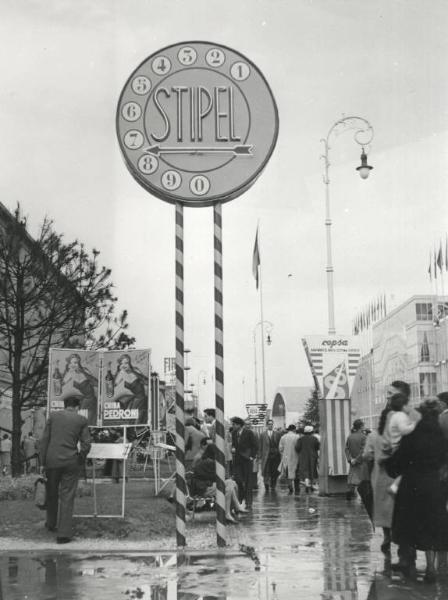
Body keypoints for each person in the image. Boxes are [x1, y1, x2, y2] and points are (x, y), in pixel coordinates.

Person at [384, 399, 447, 582]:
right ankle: (430, 568)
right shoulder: (439, 435)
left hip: (411, 484)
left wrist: (391, 466)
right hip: (433, 484)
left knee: (409, 523)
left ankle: (407, 561)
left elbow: (398, 463)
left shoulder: (411, 434)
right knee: (432, 524)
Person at [39, 395, 91, 544]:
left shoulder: (53, 417)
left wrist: (42, 463)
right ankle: (63, 534)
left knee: (52, 493)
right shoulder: (81, 420)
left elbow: (45, 441)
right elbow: (86, 443)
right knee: (67, 496)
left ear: (65, 405)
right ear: (77, 407)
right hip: (70, 461)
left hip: (51, 461)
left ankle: (50, 523)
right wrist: (80, 457)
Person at [363, 406, 396, 557]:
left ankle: (387, 535)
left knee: (383, 507)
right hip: (399, 477)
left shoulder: (374, 435)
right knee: (399, 507)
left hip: (380, 477)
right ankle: (400, 537)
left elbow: (368, 456)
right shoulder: (400, 435)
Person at [190, 443, 248, 523]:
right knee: (230, 484)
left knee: (230, 485)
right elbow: (219, 477)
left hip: (202, 487)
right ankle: (233, 509)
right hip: (204, 489)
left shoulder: (204, 461)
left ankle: (230, 512)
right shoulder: (210, 463)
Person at [382, 392, 420, 495]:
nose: (409, 407)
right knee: (408, 469)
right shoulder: (401, 416)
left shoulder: (394, 416)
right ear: (403, 405)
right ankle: (394, 487)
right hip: (399, 448)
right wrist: (414, 423)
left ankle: (396, 487)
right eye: (408, 405)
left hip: (394, 447)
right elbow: (404, 430)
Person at [61, 353, 97, 426]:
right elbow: (61, 384)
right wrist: (66, 371)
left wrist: (83, 372)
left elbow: (96, 382)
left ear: (79, 363)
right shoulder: (70, 373)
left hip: (91, 401)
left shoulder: (85, 371)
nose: (73, 365)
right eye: (71, 363)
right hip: (79, 402)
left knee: (87, 423)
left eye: (75, 363)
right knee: (78, 423)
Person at [230, 416, 258, 509]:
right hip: (237, 460)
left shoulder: (249, 432)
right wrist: (233, 449)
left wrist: (252, 456)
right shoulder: (234, 433)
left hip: (246, 459)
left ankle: (248, 502)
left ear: (239, 425)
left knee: (248, 481)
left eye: (234, 424)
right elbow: (234, 444)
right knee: (238, 480)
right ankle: (240, 499)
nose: (233, 426)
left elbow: (255, 445)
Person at [345, 419, 368, 500]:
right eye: (363, 425)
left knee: (352, 479)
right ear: (361, 426)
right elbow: (364, 450)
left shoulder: (350, 436)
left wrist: (350, 459)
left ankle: (349, 493)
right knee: (361, 480)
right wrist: (357, 459)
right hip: (361, 462)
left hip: (352, 462)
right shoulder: (364, 437)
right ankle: (361, 498)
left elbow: (346, 449)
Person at [296, 425, 320, 494]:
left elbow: (297, 448)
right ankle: (312, 485)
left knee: (305, 470)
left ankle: (307, 485)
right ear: (311, 432)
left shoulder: (300, 439)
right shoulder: (314, 439)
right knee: (312, 470)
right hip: (313, 457)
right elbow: (318, 447)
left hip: (303, 457)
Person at [259, 419, 281, 491]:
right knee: (266, 471)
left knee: (274, 472)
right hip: (266, 456)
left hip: (275, 456)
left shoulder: (277, 434)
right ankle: (266, 485)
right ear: (267, 425)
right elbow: (260, 446)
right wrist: (260, 455)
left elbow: (279, 445)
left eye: (271, 424)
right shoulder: (262, 434)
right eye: (269, 424)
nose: (270, 425)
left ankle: (273, 485)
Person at [278, 424, 300, 495]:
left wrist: (283, 454)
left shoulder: (283, 437)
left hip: (286, 458)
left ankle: (290, 487)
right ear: (294, 429)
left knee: (287, 474)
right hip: (295, 458)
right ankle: (297, 489)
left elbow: (280, 448)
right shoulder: (297, 437)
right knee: (296, 473)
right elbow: (299, 447)